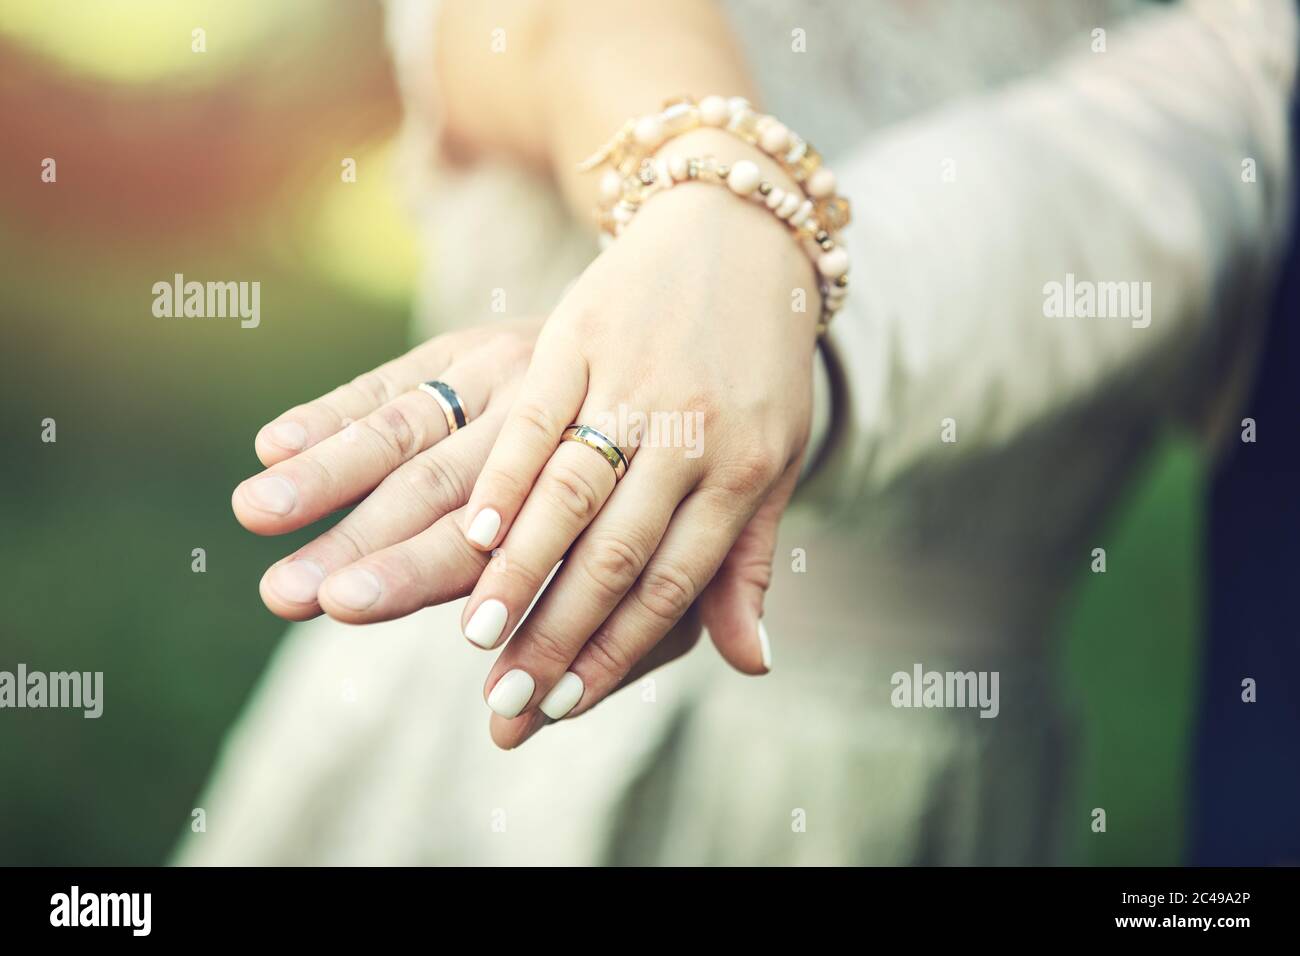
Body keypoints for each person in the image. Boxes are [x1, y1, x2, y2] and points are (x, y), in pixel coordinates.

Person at [179, 0, 1296, 865]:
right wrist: (707, 196)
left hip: (906, 791)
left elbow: (1223, 126)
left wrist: (766, 325)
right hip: (481, 715)